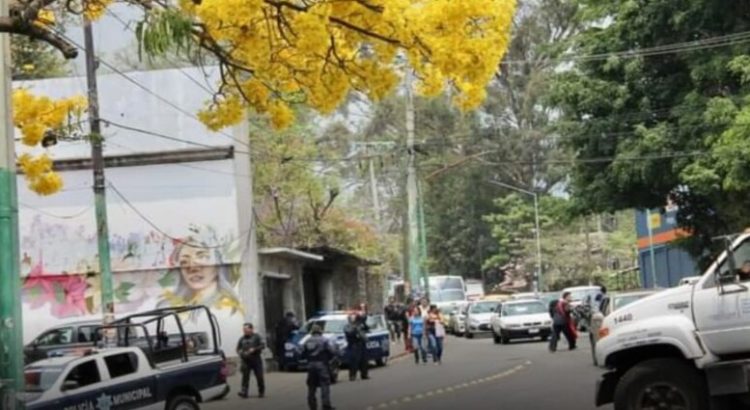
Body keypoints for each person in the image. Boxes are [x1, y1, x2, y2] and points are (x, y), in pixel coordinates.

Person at [158, 226, 242, 318]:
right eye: (184, 262)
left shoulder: (228, 307)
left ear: (218, 262)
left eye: (202, 257)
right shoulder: (168, 306)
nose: (192, 267)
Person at [300, 324, 337, 410]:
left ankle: (312, 406)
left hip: (310, 365)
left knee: (311, 386)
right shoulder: (324, 340)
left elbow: (301, 354)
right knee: (325, 384)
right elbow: (332, 351)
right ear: (320, 331)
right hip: (321, 365)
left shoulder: (307, 341)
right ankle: (326, 405)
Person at [237, 323, 266, 398]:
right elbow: (238, 348)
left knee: (259, 376)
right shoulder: (242, 338)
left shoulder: (257, 337)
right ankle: (244, 392)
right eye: (244, 329)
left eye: (246, 329)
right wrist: (240, 352)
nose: (245, 331)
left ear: (251, 329)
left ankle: (261, 391)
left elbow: (263, 345)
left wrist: (254, 349)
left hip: (256, 359)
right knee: (245, 377)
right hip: (246, 360)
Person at [343, 313, 369, 381]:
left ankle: (364, 374)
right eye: (353, 318)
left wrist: (363, 322)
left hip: (361, 345)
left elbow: (367, 329)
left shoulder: (360, 325)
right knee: (354, 361)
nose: (354, 319)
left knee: (364, 360)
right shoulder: (347, 326)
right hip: (353, 345)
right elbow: (349, 332)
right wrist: (355, 328)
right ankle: (352, 375)